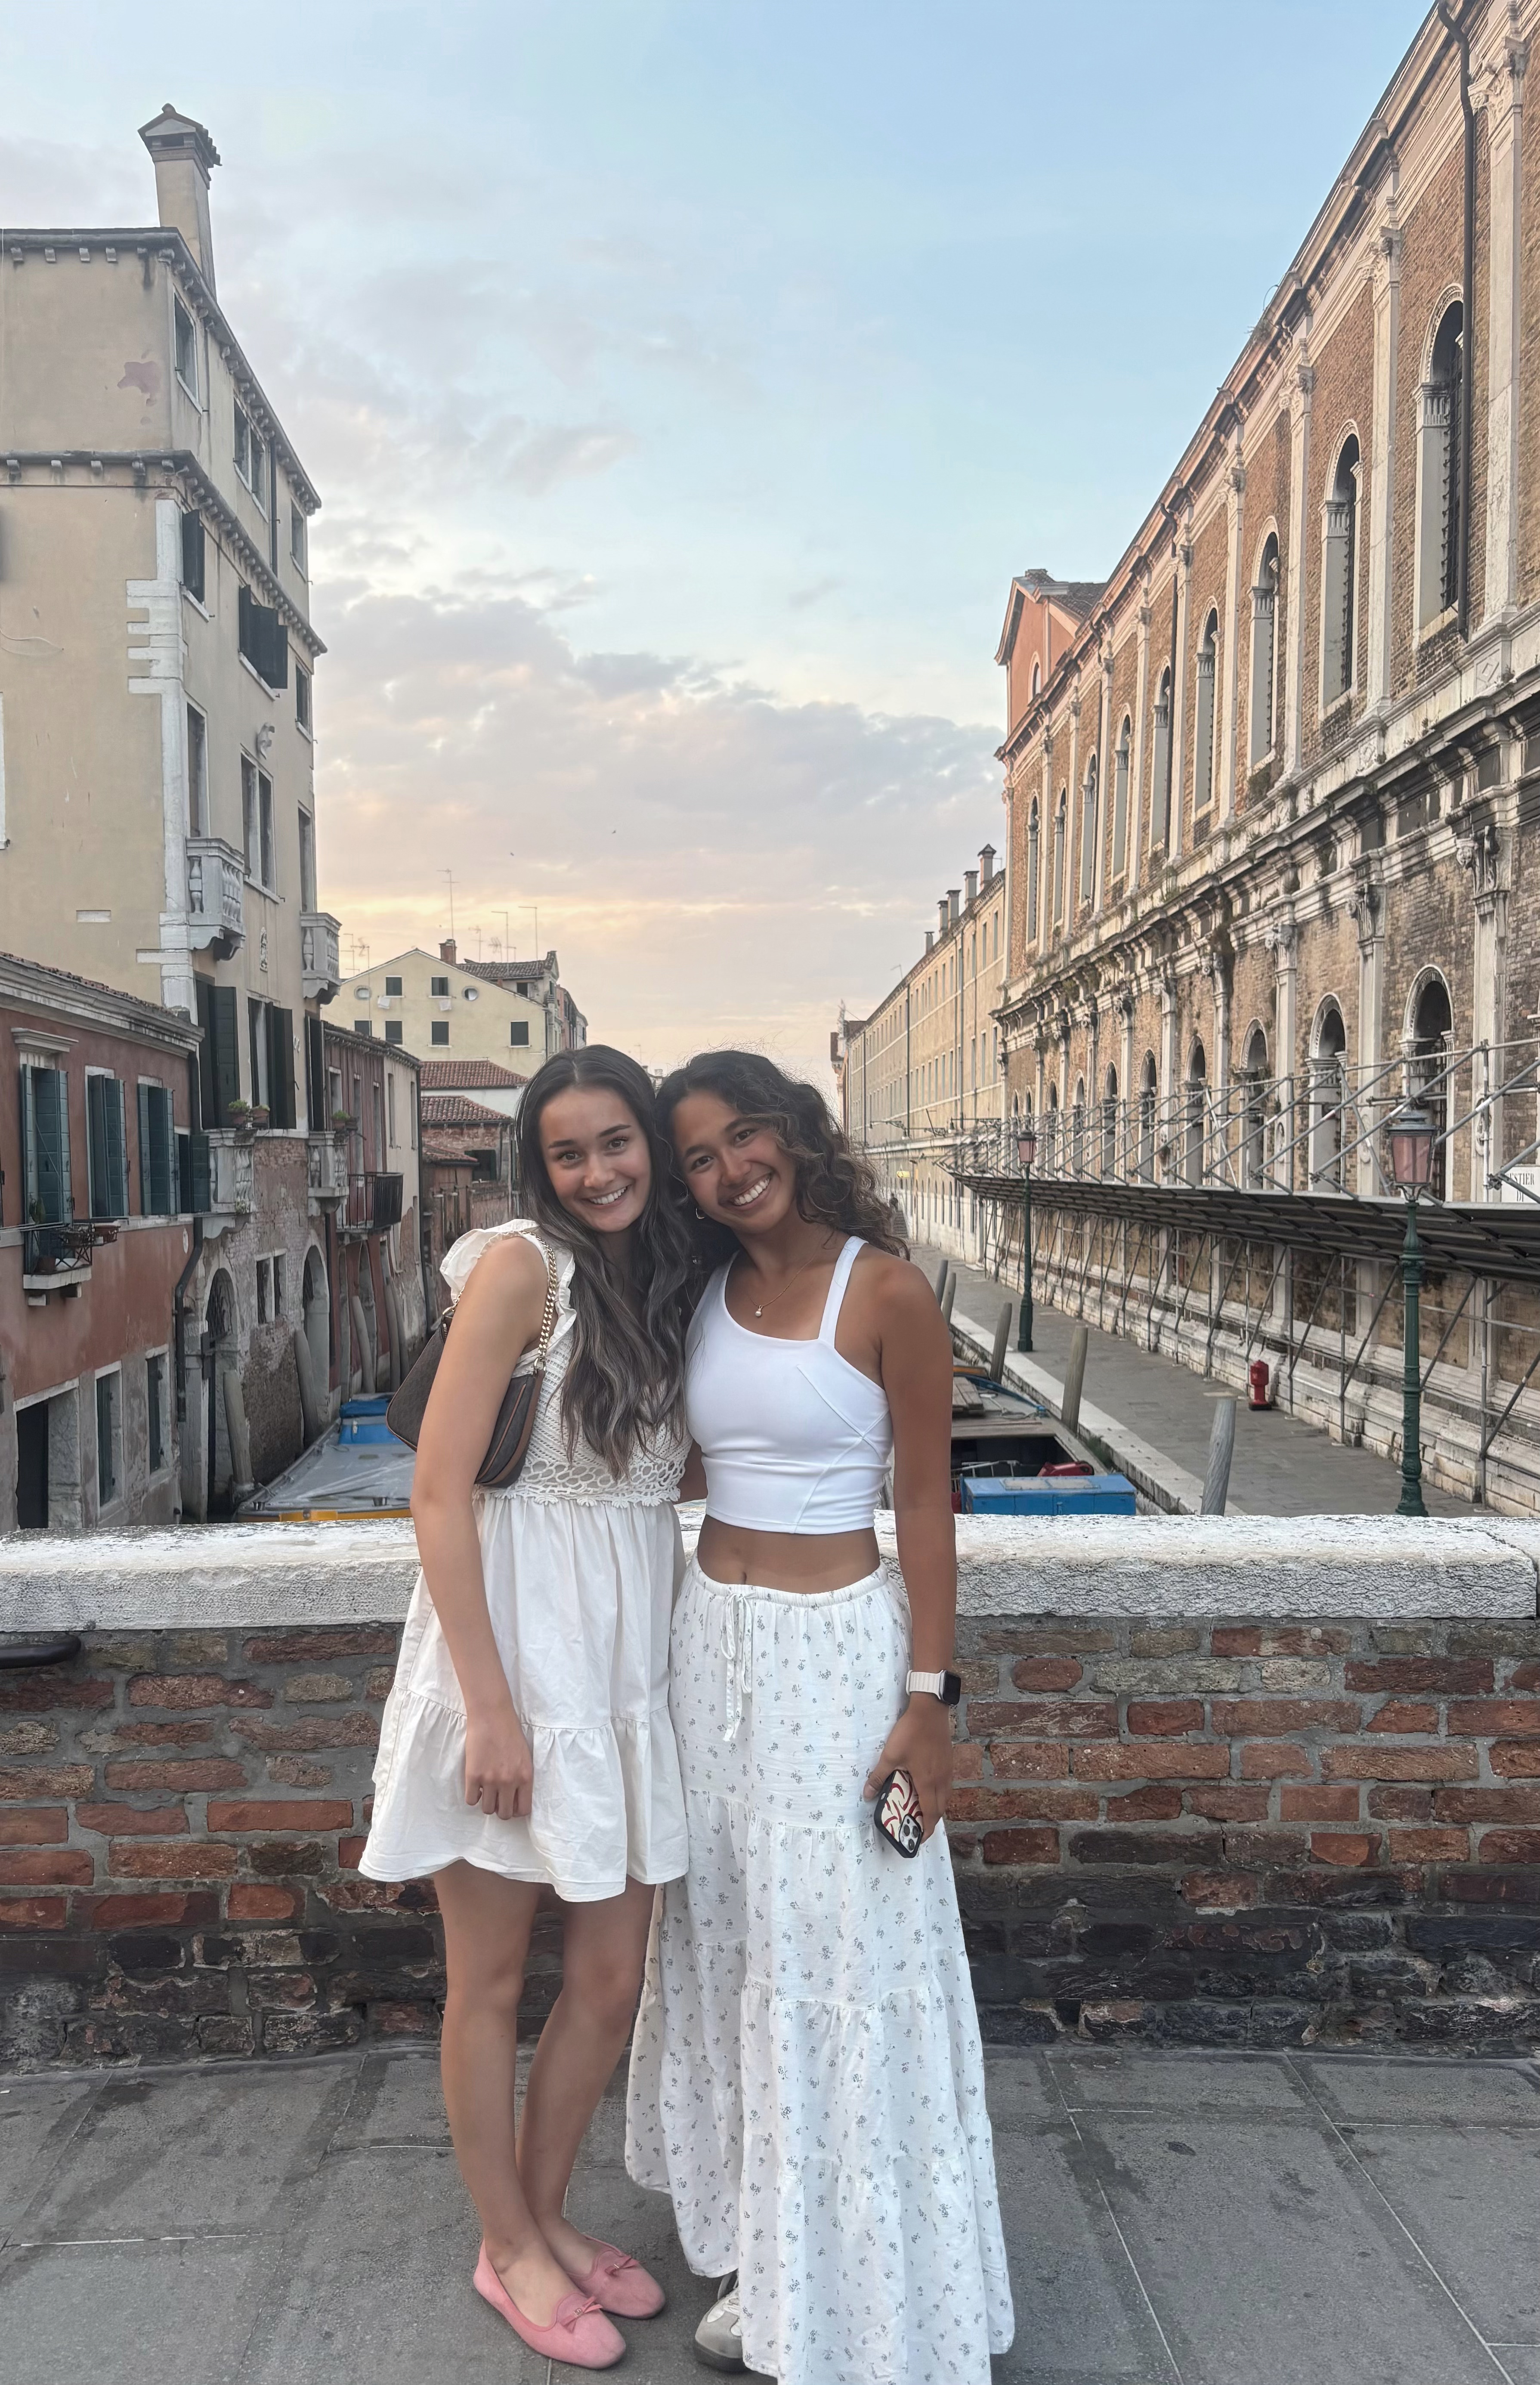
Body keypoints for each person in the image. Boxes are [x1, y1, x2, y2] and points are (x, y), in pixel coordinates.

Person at [626, 1050, 1014, 2384]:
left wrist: (928, 1704)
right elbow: (660, 1457)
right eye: (699, 1157)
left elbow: (922, 1505)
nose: (731, 1171)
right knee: (728, 1944)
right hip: (704, 1652)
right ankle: (761, 2247)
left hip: (835, 1658)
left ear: (794, 1135)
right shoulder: (699, 1293)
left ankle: (868, 2279)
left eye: (747, 1139)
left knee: (845, 1960)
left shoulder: (886, 1289)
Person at [362, 1046, 697, 2371]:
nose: (600, 1171)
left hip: (623, 1672)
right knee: (489, 1981)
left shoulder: (666, 1281)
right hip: (505, 1665)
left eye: (618, 1142)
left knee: (611, 1978)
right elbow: (440, 1494)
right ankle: (506, 2246)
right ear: (536, 1169)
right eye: (571, 1153)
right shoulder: (519, 1267)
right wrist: (488, 1713)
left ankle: (548, 2220)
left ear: (651, 1146)